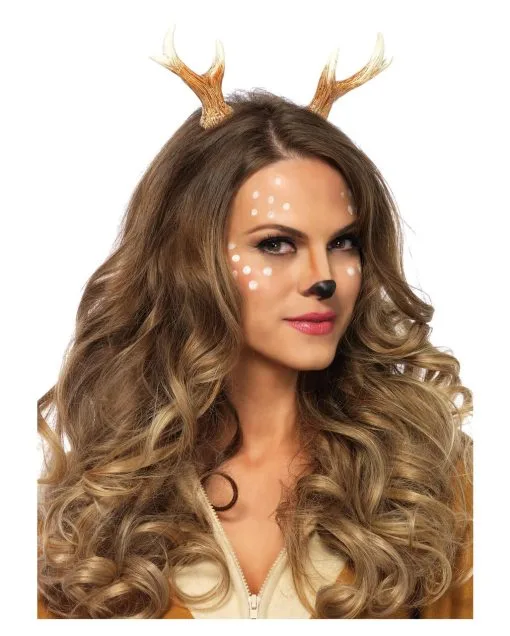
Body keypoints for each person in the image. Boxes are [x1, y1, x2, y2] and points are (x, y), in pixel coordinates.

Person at [37, 24, 473, 619]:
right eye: (276, 244)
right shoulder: (93, 503)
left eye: (343, 242)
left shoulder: (430, 479)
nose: (323, 277)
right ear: (190, 259)